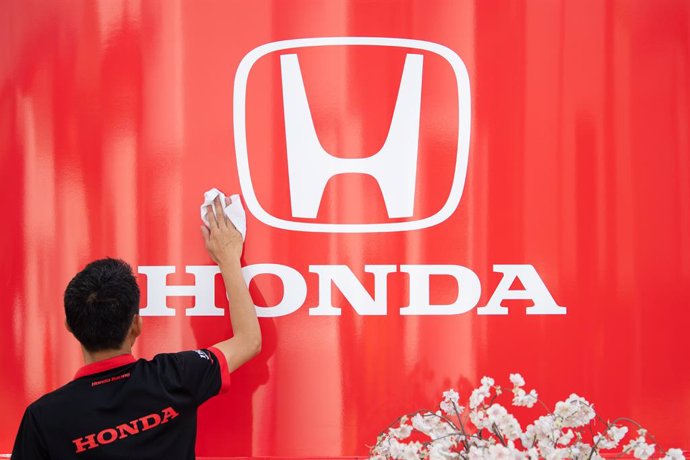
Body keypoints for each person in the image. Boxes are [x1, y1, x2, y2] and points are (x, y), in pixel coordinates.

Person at [11, 196, 260, 459]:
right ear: (136, 325)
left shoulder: (44, 417)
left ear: (69, 326)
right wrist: (229, 257)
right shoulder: (176, 377)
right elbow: (248, 340)